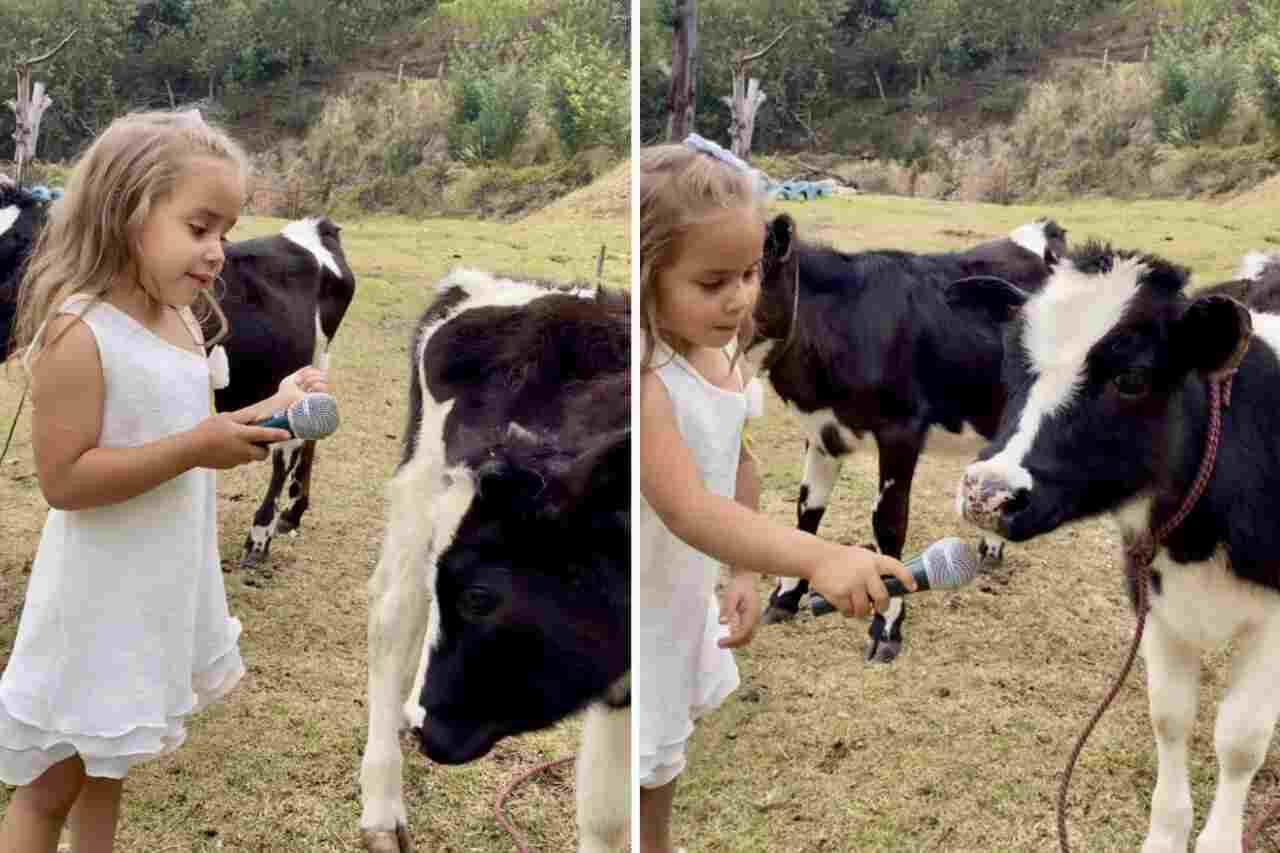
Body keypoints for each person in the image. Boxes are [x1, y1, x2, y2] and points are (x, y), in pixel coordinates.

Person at [0, 110, 328, 853]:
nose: (218, 252)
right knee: (52, 782)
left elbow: (187, 431)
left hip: (155, 584)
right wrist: (196, 446)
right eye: (200, 226)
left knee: (109, 766)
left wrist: (271, 408)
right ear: (126, 210)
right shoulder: (78, 332)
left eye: (226, 231)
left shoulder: (180, 319)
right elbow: (65, 479)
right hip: (95, 596)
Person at [637, 137, 915, 853]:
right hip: (632, 608)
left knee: (664, 754)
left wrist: (746, 572)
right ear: (646, 277)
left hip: (680, 598)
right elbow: (689, 506)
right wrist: (818, 556)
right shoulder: (644, 382)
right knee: (633, 763)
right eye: (711, 282)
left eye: (751, 272)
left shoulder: (724, 354)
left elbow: (739, 466)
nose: (739, 298)